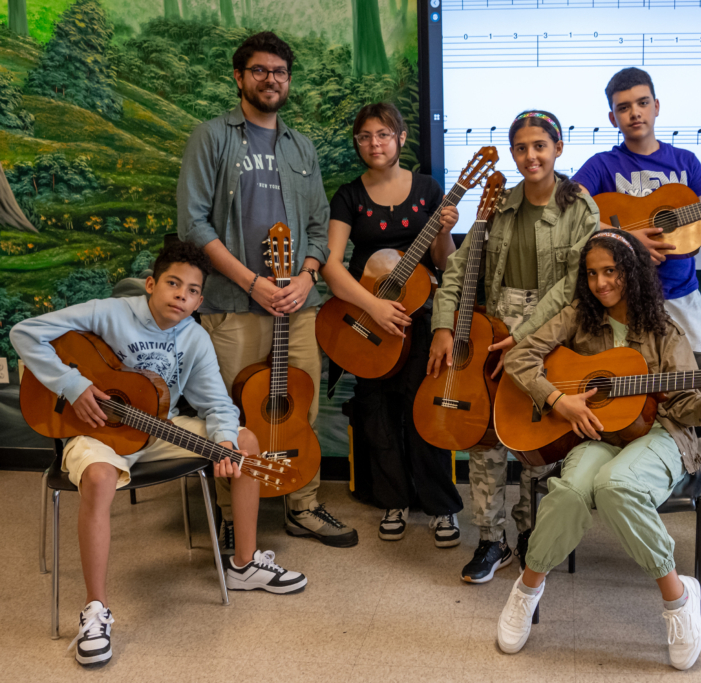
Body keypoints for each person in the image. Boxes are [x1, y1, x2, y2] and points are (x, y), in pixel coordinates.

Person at [11, 243, 307, 669]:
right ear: (151, 284)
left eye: (191, 290)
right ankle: (95, 612)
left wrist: (224, 441)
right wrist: (72, 386)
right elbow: (23, 332)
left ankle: (244, 564)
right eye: (172, 283)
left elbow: (218, 404)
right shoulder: (106, 313)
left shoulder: (194, 337)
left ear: (199, 300)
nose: (181, 296)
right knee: (98, 477)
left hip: (154, 431)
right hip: (96, 433)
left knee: (245, 444)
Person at [497, 229, 701, 669]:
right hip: (598, 433)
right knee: (571, 490)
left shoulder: (664, 330)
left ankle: (678, 598)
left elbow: (687, 406)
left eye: (610, 271)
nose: (601, 283)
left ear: (630, 273)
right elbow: (520, 357)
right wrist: (559, 400)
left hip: (662, 434)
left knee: (616, 486)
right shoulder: (579, 315)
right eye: (592, 274)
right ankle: (528, 588)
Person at [177, 31, 357, 550]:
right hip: (233, 306)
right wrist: (253, 281)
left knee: (299, 406)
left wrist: (304, 277)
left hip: (299, 306)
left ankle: (303, 505)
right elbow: (193, 224)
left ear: (288, 80)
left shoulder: (301, 146)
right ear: (239, 77)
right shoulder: (211, 137)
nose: (270, 79)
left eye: (278, 72)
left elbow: (321, 225)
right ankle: (236, 518)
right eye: (259, 70)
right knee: (231, 415)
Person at [573, 67, 701, 538]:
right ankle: (624, 481)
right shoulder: (600, 167)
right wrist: (629, 238)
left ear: (657, 106)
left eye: (641, 102)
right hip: (619, 306)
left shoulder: (685, 162)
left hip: (681, 298)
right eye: (623, 106)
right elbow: (571, 225)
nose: (633, 112)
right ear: (612, 116)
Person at [428, 110, 599, 582]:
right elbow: (460, 269)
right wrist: (444, 325)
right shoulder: (499, 203)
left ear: (558, 148)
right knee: (486, 437)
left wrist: (526, 337)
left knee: (536, 438)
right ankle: (490, 539)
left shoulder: (580, 206)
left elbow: (573, 284)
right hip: (494, 327)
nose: (530, 156)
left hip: (551, 332)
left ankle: (533, 533)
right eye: (521, 147)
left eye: (540, 146)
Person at [322, 102, 463, 547]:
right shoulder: (348, 195)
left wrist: (443, 230)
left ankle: (441, 506)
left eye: (383, 134)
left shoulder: (427, 188)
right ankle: (393, 500)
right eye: (364, 136)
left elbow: (444, 263)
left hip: (421, 319)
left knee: (425, 407)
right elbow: (330, 264)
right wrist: (374, 306)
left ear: (401, 138)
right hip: (367, 317)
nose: (374, 144)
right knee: (377, 414)